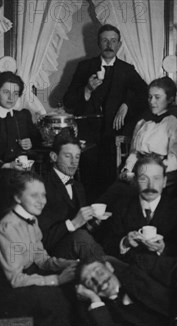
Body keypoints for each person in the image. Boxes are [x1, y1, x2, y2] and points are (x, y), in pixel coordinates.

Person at [0, 170, 79, 326]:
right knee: (54, 298)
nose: (42, 201)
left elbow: (41, 259)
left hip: (20, 274)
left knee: (69, 292)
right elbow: (15, 279)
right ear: (18, 198)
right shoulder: (8, 228)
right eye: (34, 195)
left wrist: (69, 264)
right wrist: (57, 280)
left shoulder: (31, 218)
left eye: (44, 195)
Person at [63, 24, 148, 197]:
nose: (109, 44)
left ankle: (106, 214)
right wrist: (87, 89)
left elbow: (144, 94)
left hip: (113, 134)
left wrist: (127, 104)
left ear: (119, 45)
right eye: (105, 40)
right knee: (86, 176)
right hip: (87, 132)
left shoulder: (127, 70)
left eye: (113, 41)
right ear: (98, 43)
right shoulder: (84, 67)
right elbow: (68, 101)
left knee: (109, 178)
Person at [102, 154, 177, 260]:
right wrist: (125, 242)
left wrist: (162, 249)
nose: (150, 186)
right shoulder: (121, 206)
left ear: (164, 182)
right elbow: (107, 244)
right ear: (134, 181)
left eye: (156, 179)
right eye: (143, 179)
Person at [38, 134, 107, 260]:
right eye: (67, 156)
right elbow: (41, 239)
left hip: (77, 250)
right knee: (81, 238)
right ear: (54, 157)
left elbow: (82, 227)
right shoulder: (42, 187)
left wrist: (91, 225)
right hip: (49, 254)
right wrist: (73, 223)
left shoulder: (78, 186)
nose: (74, 162)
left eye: (77, 157)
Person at [120, 76, 177, 183]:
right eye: (150, 97)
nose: (152, 101)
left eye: (157, 97)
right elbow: (133, 152)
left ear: (170, 99)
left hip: (159, 175)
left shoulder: (175, 125)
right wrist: (127, 169)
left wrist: (150, 171)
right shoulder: (142, 123)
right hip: (137, 172)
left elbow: (174, 161)